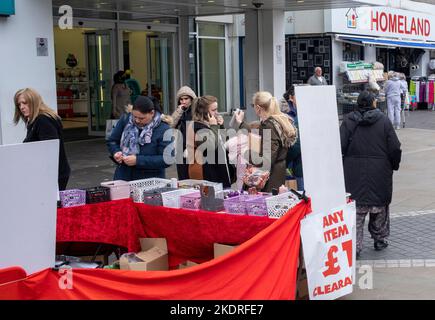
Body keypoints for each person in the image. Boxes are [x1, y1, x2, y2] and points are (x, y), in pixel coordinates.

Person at [340, 91, 402, 259]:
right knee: (379, 208)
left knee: (357, 212)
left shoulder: (348, 121)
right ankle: (380, 238)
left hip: (353, 173)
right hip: (379, 171)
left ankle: (355, 246)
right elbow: (395, 147)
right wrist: (393, 165)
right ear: (373, 103)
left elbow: (340, 146)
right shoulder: (383, 121)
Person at [235, 91, 297, 192]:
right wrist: (241, 124)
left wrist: (245, 153)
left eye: (253, 106)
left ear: (258, 108)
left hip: (269, 180)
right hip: (277, 175)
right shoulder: (280, 121)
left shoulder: (269, 126)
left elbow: (266, 160)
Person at [14, 88, 71, 190]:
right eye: (19, 104)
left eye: (25, 103)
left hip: (51, 174)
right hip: (51, 173)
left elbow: (49, 149)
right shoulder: (36, 120)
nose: (22, 107)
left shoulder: (42, 120)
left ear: (34, 102)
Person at [107, 95, 172, 181]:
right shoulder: (126, 120)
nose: (137, 121)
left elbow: (167, 159)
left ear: (152, 113)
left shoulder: (164, 129)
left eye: (141, 118)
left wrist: (138, 160)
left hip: (150, 181)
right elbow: (112, 141)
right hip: (123, 176)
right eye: (134, 117)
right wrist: (116, 152)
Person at [186, 95, 233, 188]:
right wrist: (214, 127)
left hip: (218, 169)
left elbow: (224, 143)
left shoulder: (210, 124)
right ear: (204, 112)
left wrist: (221, 126)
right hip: (207, 173)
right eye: (214, 110)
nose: (217, 113)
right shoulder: (197, 126)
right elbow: (210, 148)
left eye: (217, 109)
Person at [171, 86, 197, 180]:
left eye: (186, 99)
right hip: (181, 147)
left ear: (191, 99)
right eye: (181, 99)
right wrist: (179, 111)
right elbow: (171, 124)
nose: (183, 101)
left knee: (193, 177)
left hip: (193, 147)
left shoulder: (196, 111)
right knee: (182, 177)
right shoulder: (180, 111)